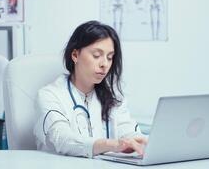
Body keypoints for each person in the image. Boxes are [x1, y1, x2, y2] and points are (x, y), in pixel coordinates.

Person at [34, 21, 147, 158]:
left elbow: (126, 129)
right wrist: (112, 145)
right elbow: (62, 138)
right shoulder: (50, 95)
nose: (105, 64)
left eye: (109, 57)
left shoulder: (113, 96)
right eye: (96, 56)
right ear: (75, 55)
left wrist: (140, 141)